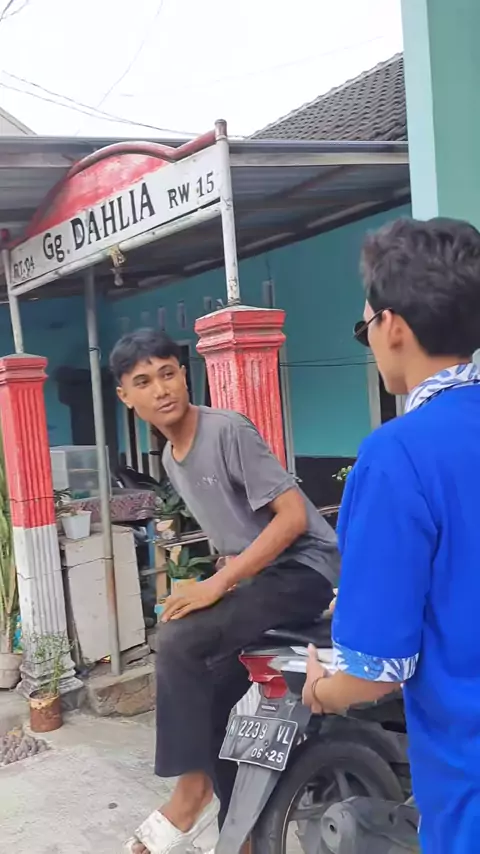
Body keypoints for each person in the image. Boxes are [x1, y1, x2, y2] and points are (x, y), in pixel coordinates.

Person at [110, 328, 340, 854]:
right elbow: (236, 538)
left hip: (305, 570)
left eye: (168, 373)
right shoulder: (171, 460)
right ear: (126, 397)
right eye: (144, 382)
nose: (161, 389)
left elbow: (292, 518)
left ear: (184, 375)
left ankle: (190, 793)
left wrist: (219, 584)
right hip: (262, 579)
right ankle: (242, 833)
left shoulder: (227, 429)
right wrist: (220, 574)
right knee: (209, 696)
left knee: (178, 639)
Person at [302, 217, 480, 854]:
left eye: (366, 327)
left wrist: (320, 690)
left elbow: (376, 673)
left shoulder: (396, 456)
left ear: (394, 325)